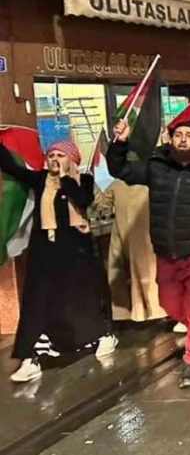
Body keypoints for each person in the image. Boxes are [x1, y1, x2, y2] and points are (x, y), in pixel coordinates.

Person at [109, 116, 190, 387]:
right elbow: (120, 170)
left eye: (189, 135)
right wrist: (120, 143)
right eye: (178, 135)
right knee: (169, 302)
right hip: (166, 249)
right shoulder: (157, 165)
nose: (183, 140)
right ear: (170, 138)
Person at [2, 138, 115, 383]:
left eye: (60, 156)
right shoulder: (41, 179)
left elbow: (82, 200)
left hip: (77, 254)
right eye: (51, 155)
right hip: (44, 254)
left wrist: (64, 177)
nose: (54, 160)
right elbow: (11, 168)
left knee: (81, 300)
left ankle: (102, 335)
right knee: (36, 302)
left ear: (72, 160)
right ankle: (28, 357)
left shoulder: (82, 181)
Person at [94, 179, 166, 322]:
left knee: (149, 274)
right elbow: (102, 203)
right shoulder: (117, 184)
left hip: (146, 235)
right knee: (120, 273)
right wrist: (90, 183)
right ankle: (127, 313)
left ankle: (157, 311)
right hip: (124, 233)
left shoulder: (150, 180)